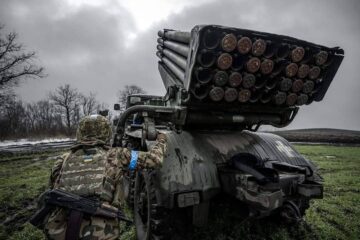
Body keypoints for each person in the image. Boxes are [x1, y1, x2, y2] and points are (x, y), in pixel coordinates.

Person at [39, 114, 167, 240]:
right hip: (100, 233)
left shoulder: (62, 159)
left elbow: (50, 192)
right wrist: (161, 140)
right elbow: (154, 159)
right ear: (106, 133)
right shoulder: (118, 156)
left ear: (80, 133)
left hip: (58, 231)